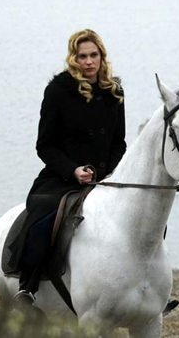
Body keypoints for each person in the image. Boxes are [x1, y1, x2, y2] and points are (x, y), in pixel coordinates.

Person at [9, 29, 126, 308]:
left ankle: (151, 291)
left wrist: (106, 173)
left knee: (147, 218)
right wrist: (73, 170)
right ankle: (28, 285)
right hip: (61, 178)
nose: (88, 62)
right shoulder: (58, 91)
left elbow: (119, 143)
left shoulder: (115, 92)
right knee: (41, 223)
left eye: (93, 55)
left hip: (105, 177)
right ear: (73, 58)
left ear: (102, 57)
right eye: (82, 56)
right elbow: (44, 145)